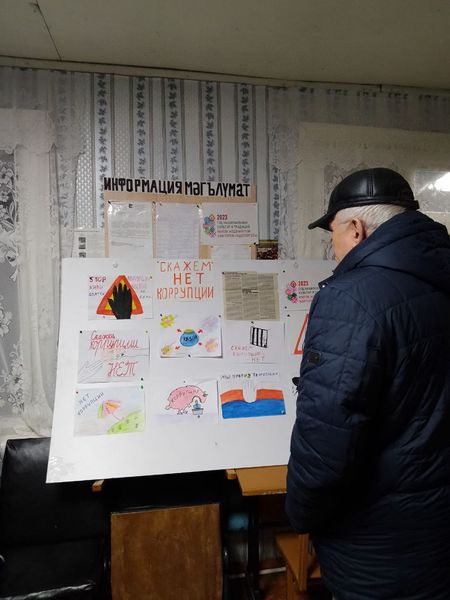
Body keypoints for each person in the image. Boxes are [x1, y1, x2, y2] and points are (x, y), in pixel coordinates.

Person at [286, 167, 450, 600]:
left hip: (377, 542)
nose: (333, 250)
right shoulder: (440, 279)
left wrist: (301, 513)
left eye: (333, 237)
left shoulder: (350, 297)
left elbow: (327, 436)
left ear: (355, 229)